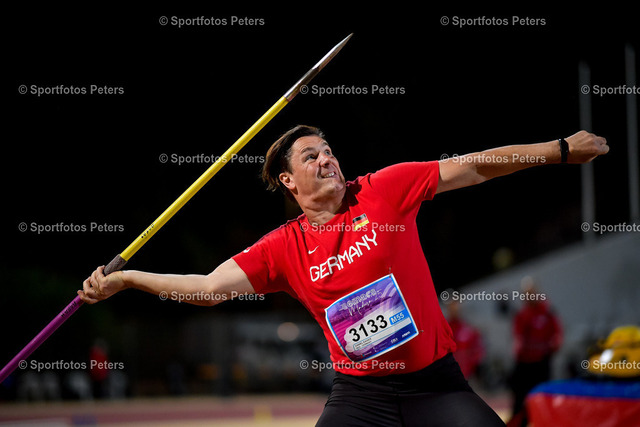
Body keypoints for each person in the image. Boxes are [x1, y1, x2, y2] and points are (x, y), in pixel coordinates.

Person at [79, 125, 608, 426]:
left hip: (434, 387)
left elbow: (474, 165)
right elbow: (208, 289)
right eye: (311, 156)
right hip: (361, 397)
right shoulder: (282, 248)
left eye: (329, 150)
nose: (327, 159)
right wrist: (130, 279)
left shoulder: (383, 190)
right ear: (288, 180)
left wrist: (558, 151)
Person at [507, 278, 562, 427]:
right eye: (526, 293)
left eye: (531, 292)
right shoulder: (522, 315)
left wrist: (555, 342)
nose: (529, 295)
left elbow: (557, 333)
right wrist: (518, 346)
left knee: (544, 397)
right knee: (520, 401)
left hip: (542, 363)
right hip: (525, 364)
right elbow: (517, 336)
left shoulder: (547, 311)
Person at [446, 300, 484, 380]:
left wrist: (471, 365)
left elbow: (478, 350)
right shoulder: (444, 330)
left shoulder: (468, 330)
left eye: (456, 307)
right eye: (452, 307)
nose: (455, 310)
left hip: (466, 375)